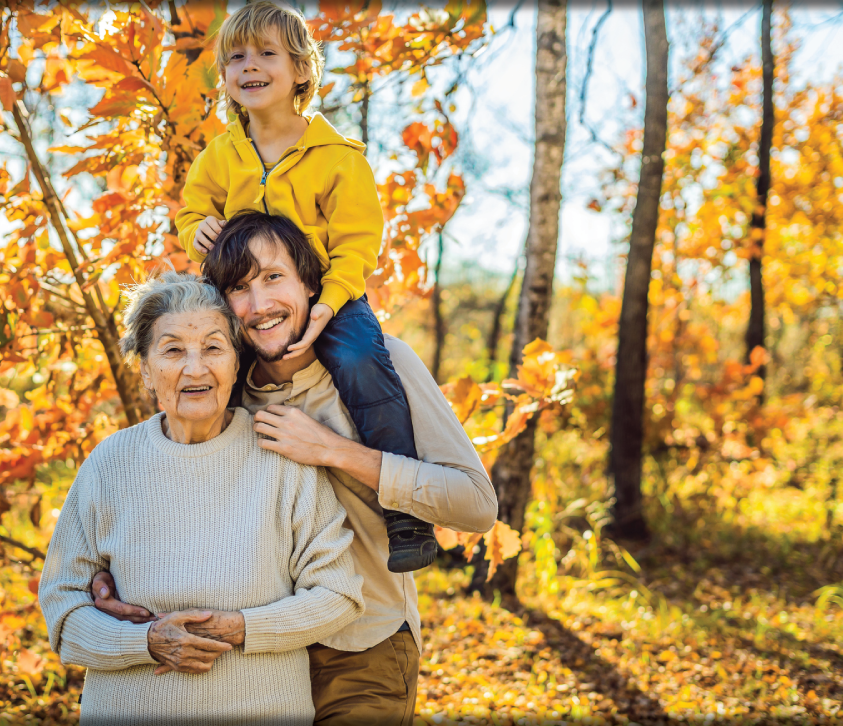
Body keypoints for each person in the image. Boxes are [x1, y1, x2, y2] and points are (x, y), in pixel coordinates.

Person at [96, 213, 499, 725]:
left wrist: (333, 450)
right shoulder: (222, 388)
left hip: (362, 647)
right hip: (251, 656)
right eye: (240, 288)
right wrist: (112, 574)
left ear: (310, 284)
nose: (261, 305)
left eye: (273, 277)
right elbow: (170, 490)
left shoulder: (383, 366)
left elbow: (476, 505)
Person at [174, 0, 438, 572]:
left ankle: (406, 514)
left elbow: (358, 242)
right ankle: (191, 495)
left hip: (328, 294)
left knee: (363, 361)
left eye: (267, 54)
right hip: (243, 298)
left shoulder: (337, 157)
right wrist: (198, 230)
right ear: (224, 75)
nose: (250, 66)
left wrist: (330, 304)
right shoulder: (222, 153)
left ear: (300, 70)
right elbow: (192, 209)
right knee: (196, 364)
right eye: (237, 56)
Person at [37, 272, 365, 725]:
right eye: (173, 350)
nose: (195, 368)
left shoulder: (282, 453)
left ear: (235, 363)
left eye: (213, 348)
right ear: (146, 370)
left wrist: (242, 628)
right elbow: (63, 610)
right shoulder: (109, 463)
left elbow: (339, 594)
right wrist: (146, 641)